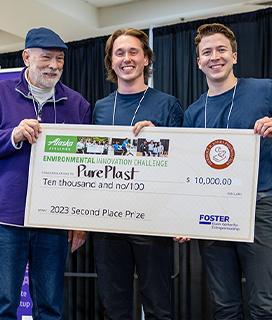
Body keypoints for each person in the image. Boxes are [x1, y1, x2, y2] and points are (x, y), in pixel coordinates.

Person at [179, 23, 272, 320]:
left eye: (222, 50)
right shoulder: (193, 112)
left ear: (234, 56)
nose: (215, 57)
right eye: (207, 52)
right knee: (225, 308)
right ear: (198, 61)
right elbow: (186, 169)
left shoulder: (263, 90)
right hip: (211, 212)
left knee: (265, 307)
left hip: (258, 207)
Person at [0, 27, 91, 320]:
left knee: (50, 308)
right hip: (5, 219)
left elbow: (86, 169)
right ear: (26, 57)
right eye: (46, 57)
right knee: (3, 305)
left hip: (53, 221)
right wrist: (13, 135)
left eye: (60, 59)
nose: (54, 65)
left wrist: (79, 221)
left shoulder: (77, 104)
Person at [92, 28, 183, 320]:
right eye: (119, 53)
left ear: (146, 59)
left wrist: (160, 140)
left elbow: (183, 163)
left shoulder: (167, 104)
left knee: (158, 308)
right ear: (111, 61)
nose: (126, 58)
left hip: (153, 222)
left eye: (134, 52)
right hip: (108, 223)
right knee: (114, 308)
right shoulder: (100, 109)